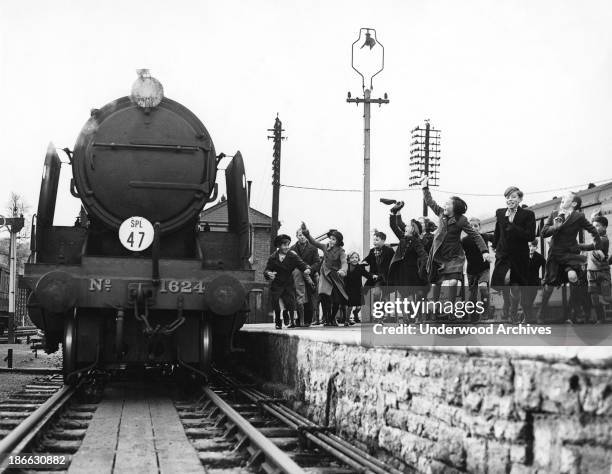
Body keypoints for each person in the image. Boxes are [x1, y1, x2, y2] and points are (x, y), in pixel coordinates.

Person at [420, 175, 489, 312]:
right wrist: (424, 187)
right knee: (436, 284)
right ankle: (435, 308)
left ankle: (450, 308)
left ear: (455, 208)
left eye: (448, 204)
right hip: (439, 254)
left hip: (454, 256)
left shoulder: (461, 220)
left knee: (452, 282)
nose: (444, 205)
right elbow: (429, 201)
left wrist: (485, 251)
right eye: (445, 204)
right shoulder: (440, 213)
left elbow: (475, 235)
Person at [538, 191, 601, 323]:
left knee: (573, 277)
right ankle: (541, 314)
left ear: (573, 203)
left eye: (565, 198)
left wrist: (597, 245)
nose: (562, 199)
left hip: (569, 254)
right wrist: (555, 227)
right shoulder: (554, 214)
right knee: (549, 286)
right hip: (555, 254)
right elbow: (543, 233)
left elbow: (592, 229)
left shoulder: (579, 216)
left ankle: (575, 311)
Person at [490, 186, 536, 323]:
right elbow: (498, 231)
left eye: (514, 197)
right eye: (508, 197)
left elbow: (530, 235)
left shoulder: (528, 215)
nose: (510, 199)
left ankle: (514, 311)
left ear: (520, 199)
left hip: (519, 255)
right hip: (503, 254)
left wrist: (512, 225)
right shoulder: (500, 213)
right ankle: (509, 307)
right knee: (505, 280)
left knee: (515, 287)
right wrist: (494, 246)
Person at [300, 224, 349, 326]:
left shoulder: (341, 251)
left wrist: (343, 271)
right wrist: (306, 232)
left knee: (337, 299)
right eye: (330, 238)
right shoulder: (324, 247)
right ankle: (327, 318)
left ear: (338, 242)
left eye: (334, 239)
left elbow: (344, 262)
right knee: (323, 295)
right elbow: (313, 242)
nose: (331, 241)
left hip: (336, 275)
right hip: (325, 274)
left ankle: (332, 318)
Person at [388, 201, 428, 321]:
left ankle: (413, 316)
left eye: (409, 225)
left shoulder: (416, 241)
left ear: (414, 230)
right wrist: (392, 213)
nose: (405, 226)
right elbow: (394, 226)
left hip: (412, 272)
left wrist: (425, 265)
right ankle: (405, 317)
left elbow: (423, 254)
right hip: (400, 271)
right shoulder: (403, 237)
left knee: (410, 296)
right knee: (402, 296)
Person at [264, 234, 311, 329]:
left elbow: (301, 264)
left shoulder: (292, 255)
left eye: (288, 244)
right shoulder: (273, 257)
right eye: (284, 245)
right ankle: (278, 322)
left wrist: (306, 269)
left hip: (288, 283)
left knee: (291, 303)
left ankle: (292, 322)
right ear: (278, 246)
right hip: (277, 284)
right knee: (276, 303)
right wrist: (269, 274)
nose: (287, 247)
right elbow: (267, 269)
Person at [578, 212, 610, 324]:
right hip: (591, 272)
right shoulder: (596, 238)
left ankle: (602, 318)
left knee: (606, 297)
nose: (595, 228)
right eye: (594, 226)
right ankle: (601, 319)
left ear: (605, 227)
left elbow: (590, 247)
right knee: (594, 298)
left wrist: (574, 245)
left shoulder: (604, 240)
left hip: (603, 272)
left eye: (597, 226)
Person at [462, 217, 494, 321]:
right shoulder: (464, 240)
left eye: (476, 226)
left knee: (483, 288)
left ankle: (485, 311)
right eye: (471, 226)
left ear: (480, 227)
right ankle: (473, 315)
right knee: (472, 294)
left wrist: (496, 247)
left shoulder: (484, 236)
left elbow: (498, 238)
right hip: (471, 270)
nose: (473, 228)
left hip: (483, 268)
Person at [290, 228, 321, 327]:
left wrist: (310, 269)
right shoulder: (292, 248)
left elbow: (317, 262)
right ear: (296, 236)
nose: (302, 237)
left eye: (303, 235)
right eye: (300, 235)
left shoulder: (313, 248)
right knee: (299, 297)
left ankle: (308, 320)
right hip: (297, 276)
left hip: (310, 275)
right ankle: (299, 320)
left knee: (311, 297)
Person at [522, 239, 546, 321]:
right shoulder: (523, 256)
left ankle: (529, 318)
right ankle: (527, 318)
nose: (531, 248)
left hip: (534, 282)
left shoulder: (539, 257)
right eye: (529, 246)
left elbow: (546, 266)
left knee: (529, 302)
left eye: (533, 246)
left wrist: (544, 278)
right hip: (524, 282)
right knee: (523, 302)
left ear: (536, 247)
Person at [344, 251, 371, 325]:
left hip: (358, 289)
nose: (354, 259)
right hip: (349, 289)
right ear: (349, 259)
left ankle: (355, 313)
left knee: (359, 306)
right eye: (352, 258)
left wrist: (372, 276)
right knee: (350, 306)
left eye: (356, 257)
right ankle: (347, 320)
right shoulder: (346, 267)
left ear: (358, 259)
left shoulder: (360, 267)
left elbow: (367, 275)